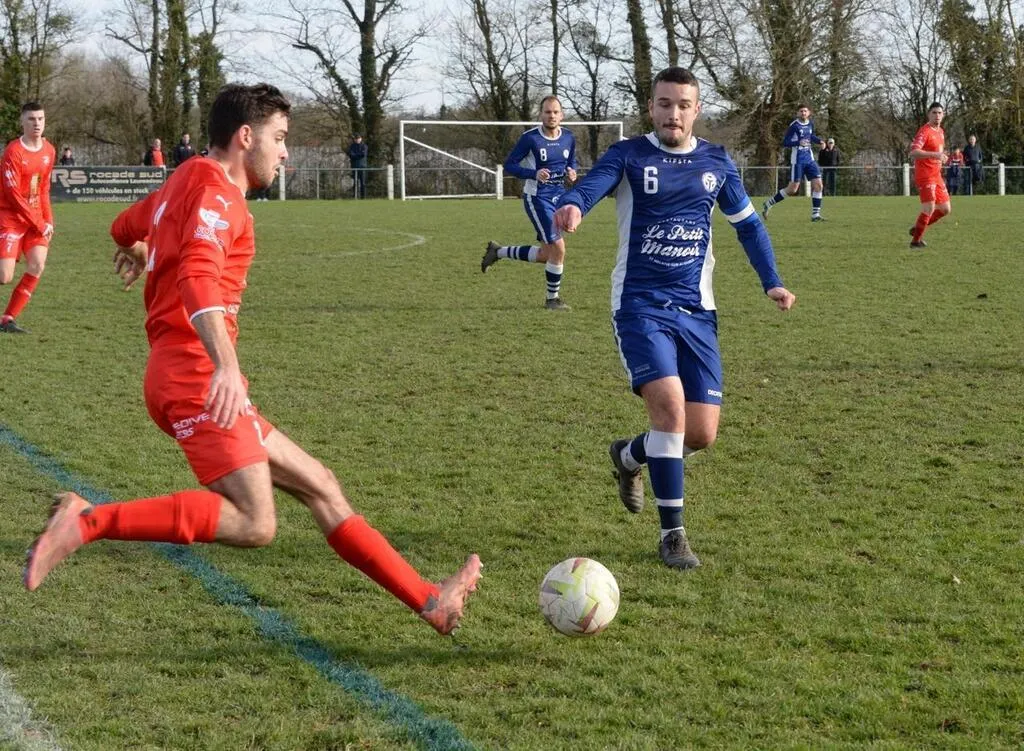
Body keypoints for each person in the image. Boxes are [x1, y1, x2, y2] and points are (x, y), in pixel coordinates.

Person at [24, 83, 482, 636]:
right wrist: (225, 364)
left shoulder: (186, 177)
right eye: (279, 138)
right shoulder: (219, 195)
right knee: (254, 521)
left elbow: (124, 226)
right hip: (196, 373)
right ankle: (87, 521)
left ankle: (429, 601)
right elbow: (197, 275)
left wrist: (143, 247)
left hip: (178, 368)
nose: (285, 151)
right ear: (246, 137)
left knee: (320, 484)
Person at [552, 67, 796, 569]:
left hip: (697, 310)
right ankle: (673, 536)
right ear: (651, 108)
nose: (673, 114)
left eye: (683, 105)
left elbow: (749, 226)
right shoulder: (629, 155)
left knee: (700, 434)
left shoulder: (716, 162)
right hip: (639, 305)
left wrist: (770, 280)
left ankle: (629, 456)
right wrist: (573, 204)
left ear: (696, 110)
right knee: (669, 412)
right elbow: (592, 185)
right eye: (664, 104)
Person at [481, 95, 577, 311]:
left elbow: (571, 161)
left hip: (559, 198)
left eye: (555, 112)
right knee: (559, 248)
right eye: (547, 112)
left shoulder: (569, 137)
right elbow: (510, 165)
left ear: (562, 115)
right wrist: (533, 174)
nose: (551, 116)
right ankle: (552, 300)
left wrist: (572, 172)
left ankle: (497, 252)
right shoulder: (530, 138)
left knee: (547, 255)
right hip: (538, 199)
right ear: (540, 114)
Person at [0, 102, 56, 334]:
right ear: (22, 122)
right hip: (11, 217)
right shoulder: (13, 152)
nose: (37, 123)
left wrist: (48, 220)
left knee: (37, 264)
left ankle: (7, 319)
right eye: (31, 119)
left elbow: (44, 189)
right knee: (4, 276)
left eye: (40, 119)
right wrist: (40, 223)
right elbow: (13, 195)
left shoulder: (49, 150)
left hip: (36, 219)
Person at [761, 105, 826, 221]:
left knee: (818, 185)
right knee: (792, 189)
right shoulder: (794, 126)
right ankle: (768, 203)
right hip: (798, 160)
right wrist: (798, 143)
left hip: (809, 159)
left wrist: (820, 141)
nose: (803, 113)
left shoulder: (810, 124)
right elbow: (785, 142)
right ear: (797, 113)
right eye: (801, 111)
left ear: (809, 113)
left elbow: (810, 136)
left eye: (805, 111)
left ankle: (815, 215)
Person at [908, 102, 950, 249]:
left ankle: (918, 228)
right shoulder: (924, 131)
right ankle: (915, 241)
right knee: (929, 208)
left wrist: (942, 157)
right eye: (934, 113)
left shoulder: (940, 132)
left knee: (945, 209)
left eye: (939, 113)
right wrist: (936, 155)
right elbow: (914, 152)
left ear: (943, 115)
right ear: (929, 114)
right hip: (925, 176)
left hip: (936, 175)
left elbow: (937, 152)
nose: (937, 115)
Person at [347, 133, 368, 198]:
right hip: (354, 166)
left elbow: (363, 154)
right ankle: (355, 196)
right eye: (356, 139)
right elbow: (350, 154)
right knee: (355, 182)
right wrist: (358, 155)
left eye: (358, 138)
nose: (357, 140)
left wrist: (355, 155)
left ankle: (363, 197)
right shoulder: (352, 146)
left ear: (361, 138)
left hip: (362, 167)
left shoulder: (364, 146)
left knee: (363, 183)